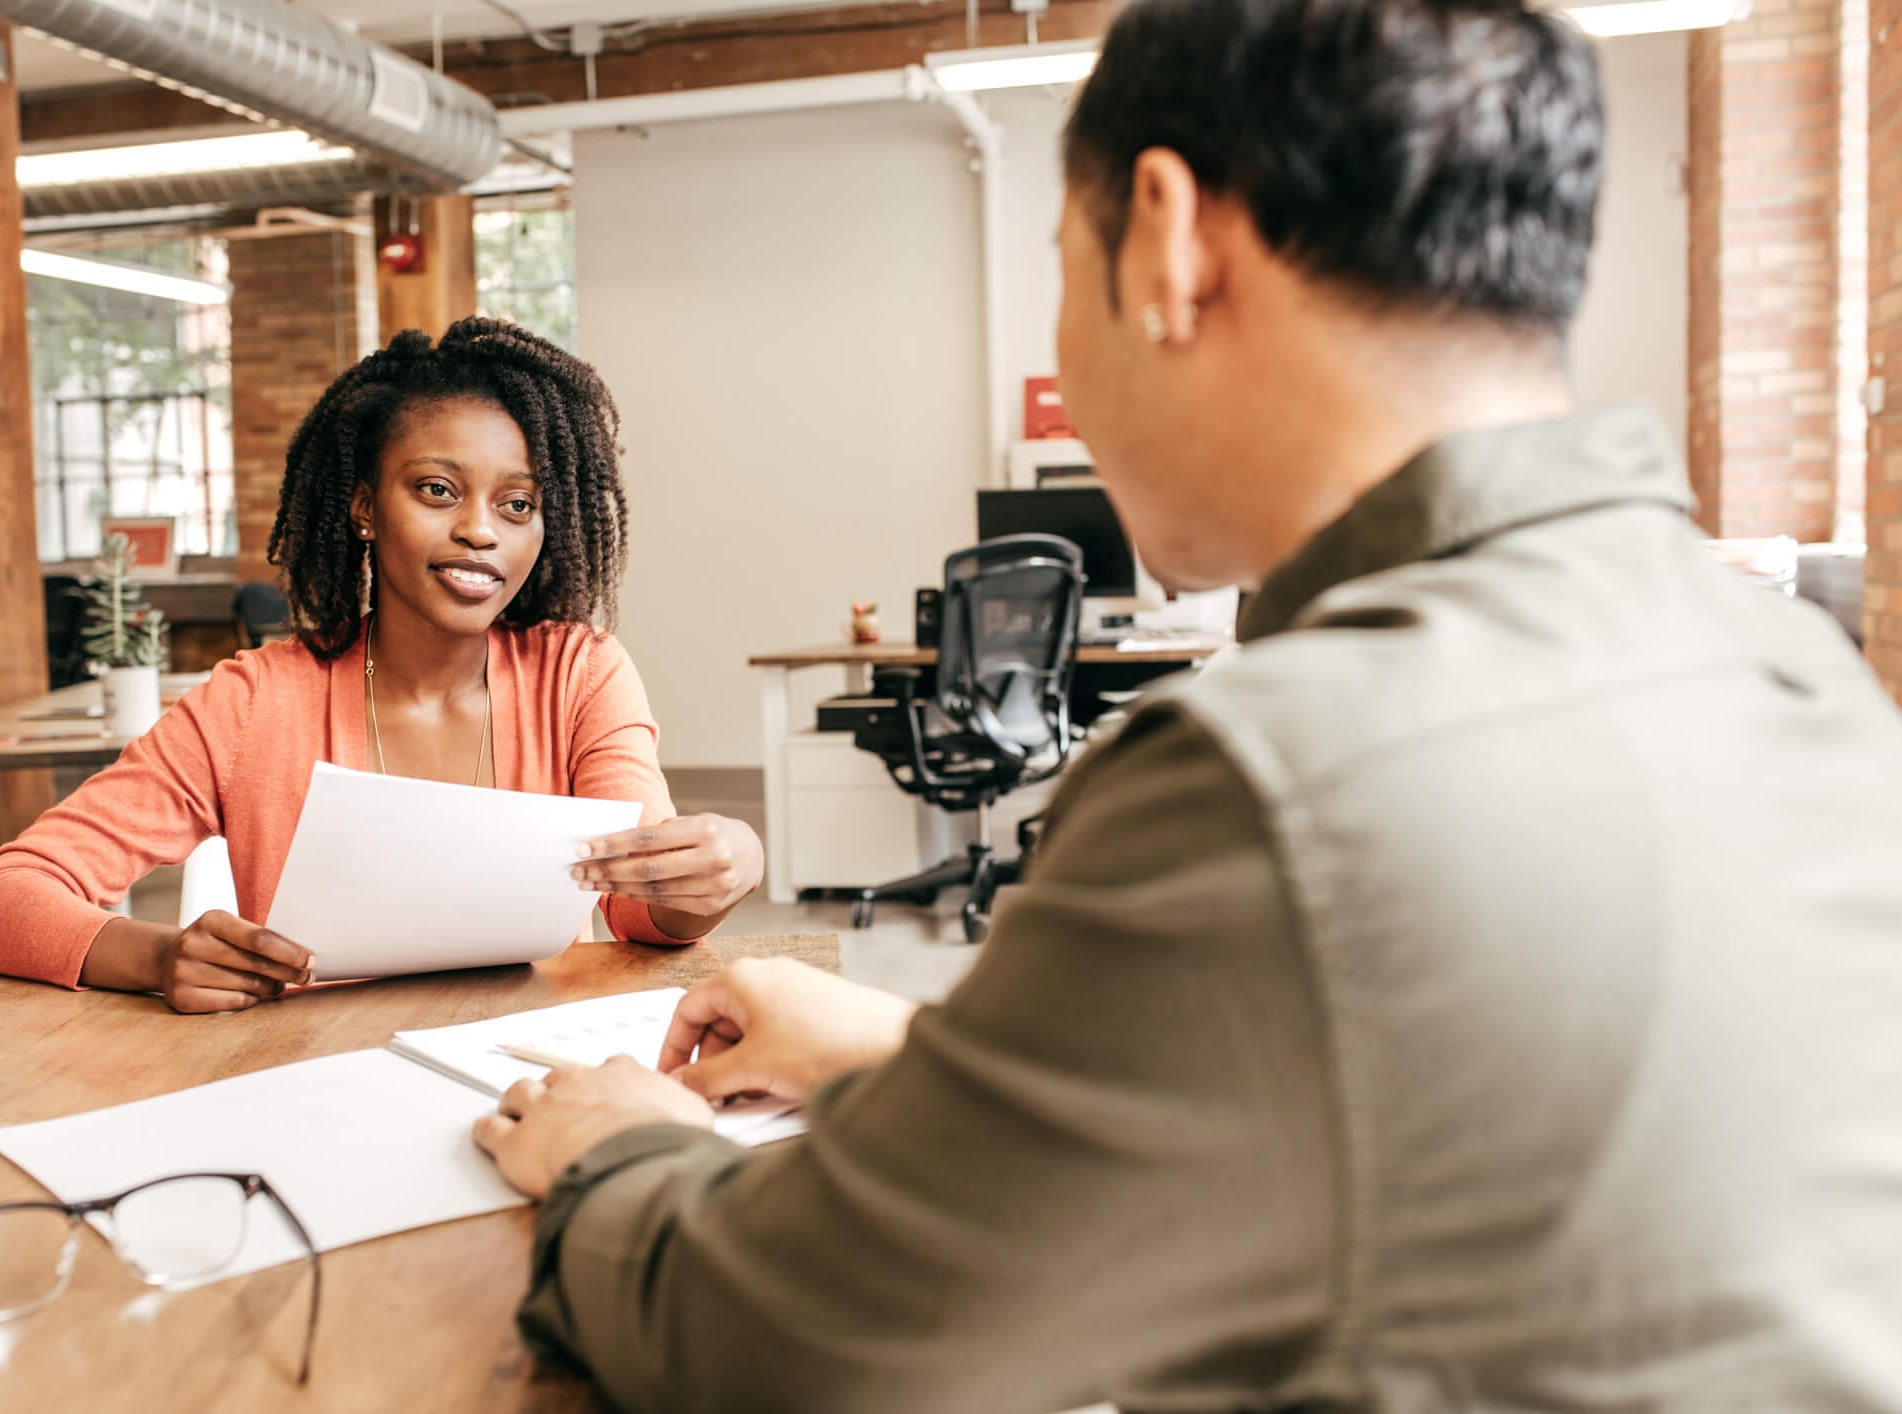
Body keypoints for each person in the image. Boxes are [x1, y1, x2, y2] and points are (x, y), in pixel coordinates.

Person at [471, 0, 1902, 1407]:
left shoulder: (1278, 781)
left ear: (1164, 236)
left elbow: (783, 1341)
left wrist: (623, 1140)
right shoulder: (1807, 689)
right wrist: (929, 1057)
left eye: (1058, 261)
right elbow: (1479, 1108)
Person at [0, 318, 763, 1011]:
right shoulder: (256, 703)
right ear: (366, 506)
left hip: (536, 1067)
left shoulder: (579, 675)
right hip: (313, 1071)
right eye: (438, 490)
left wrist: (724, 870)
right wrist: (158, 958)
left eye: (518, 504)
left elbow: (637, 909)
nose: (482, 531)